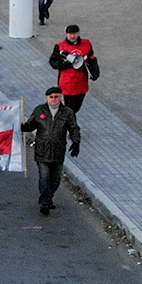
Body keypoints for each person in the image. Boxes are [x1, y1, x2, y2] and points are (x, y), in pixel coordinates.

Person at [21, 86, 81, 216]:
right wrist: (25, 127)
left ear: (61, 97)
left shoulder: (67, 112)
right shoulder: (40, 110)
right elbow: (31, 125)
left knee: (55, 178)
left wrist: (76, 142)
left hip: (58, 151)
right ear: (47, 98)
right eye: (51, 97)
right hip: (42, 151)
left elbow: (73, 128)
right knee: (44, 177)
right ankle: (45, 202)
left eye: (57, 97)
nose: (54, 100)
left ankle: (48, 196)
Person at [50, 25, 98, 113]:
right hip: (67, 82)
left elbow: (91, 58)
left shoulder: (87, 43)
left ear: (78, 34)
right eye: (70, 34)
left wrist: (94, 72)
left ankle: (68, 123)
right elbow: (53, 62)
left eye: (74, 34)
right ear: (66, 34)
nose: (72, 36)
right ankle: (69, 125)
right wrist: (65, 64)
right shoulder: (60, 46)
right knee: (70, 109)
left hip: (81, 82)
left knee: (76, 107)